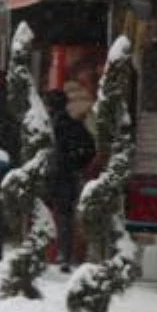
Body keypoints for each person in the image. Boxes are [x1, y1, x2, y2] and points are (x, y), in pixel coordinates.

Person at [44, 89, 96, 272]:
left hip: (50, 174)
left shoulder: (46, 125)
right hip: (67, 175)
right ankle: (63, 254)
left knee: (44, 213)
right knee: (65, 216)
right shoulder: (74, 125)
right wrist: (76, 164)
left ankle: (48, 252)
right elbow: (90, 148)